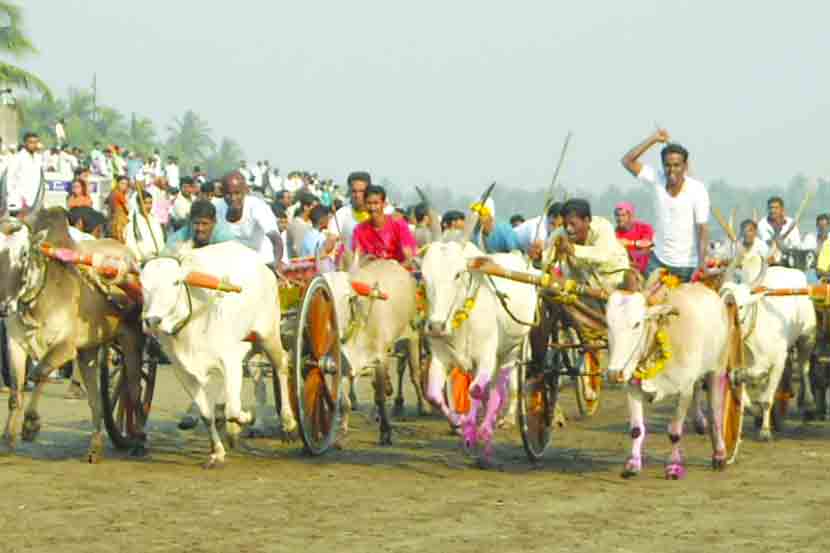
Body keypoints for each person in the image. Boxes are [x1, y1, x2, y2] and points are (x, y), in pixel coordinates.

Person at [621, 128, 710, 281]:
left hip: (687, 266)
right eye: (667, 165)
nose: (672, 170)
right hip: (658, 261)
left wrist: (702, 262)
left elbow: (703, 228)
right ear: (662, 165)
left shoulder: (697, 189)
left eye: (677, 165)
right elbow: (627, 161)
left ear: (685, 167)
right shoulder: (656, 178)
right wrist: (653, 139)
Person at [548, 198, 630, 291]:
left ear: (586, 221)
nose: (568, 229)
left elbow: (602, 255)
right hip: (584, 287)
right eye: (565, 225)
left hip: (615, 283)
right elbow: (547, 258)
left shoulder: (602, 227)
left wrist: (573, 249)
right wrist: (538, 258)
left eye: (573, 224)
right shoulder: (560, 233)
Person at [215, 171, 285, 269]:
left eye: (237, 193)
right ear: (222, 192)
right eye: (228, 194)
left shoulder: (257, 207)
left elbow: (275, 237)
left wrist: (276, 262)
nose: (233, 198)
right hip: (235, 262)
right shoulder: (218, 208)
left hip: (263, 261)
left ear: (245, 191)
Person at [352, 185, 417, 267]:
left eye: (376, 203)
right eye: (369, 203)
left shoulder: (399, 224)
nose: (372, 208)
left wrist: (391, 270)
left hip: (399, 271)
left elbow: (409, 259)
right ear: (364, 205)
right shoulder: (359, 230)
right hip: (372, 273)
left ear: (384, 204)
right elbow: (358, 261)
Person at [166, 199, 236, 251]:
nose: (200, 228)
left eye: (205, 224)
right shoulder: (184, 234)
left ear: (214, 221)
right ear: (190, 221)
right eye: (196, 223)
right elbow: (168, 251)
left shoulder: (225, 237)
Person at [328, 171, 371, 250]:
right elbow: (331, 240)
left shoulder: (377, 214)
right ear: (350, 192)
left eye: (362, 191)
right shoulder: (341, 214)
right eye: (354, 191)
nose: (357, 195)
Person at [6, 132, 43, 214]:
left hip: (35, 200)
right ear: (25, 143)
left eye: (36, 142)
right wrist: (15, 197)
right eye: (31, 142)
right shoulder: (18, 158)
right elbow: (9, 179)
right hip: (20, 201)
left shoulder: (38, 158)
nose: (34, 145)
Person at [756, 196, 801, 264]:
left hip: (788, 262)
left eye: (776, 208)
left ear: (782, 209)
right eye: (770, 208)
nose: (772, 211)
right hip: (768, 262)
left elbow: (796, 245)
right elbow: (767, 242)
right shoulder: (762, 224)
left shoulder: (791, 223)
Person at [614, 201, 654, 275]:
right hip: (627, 270)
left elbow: (647, 247)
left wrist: (630, 244)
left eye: (623, 215)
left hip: (648, 268)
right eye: (617, 215)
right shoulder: (614, 234)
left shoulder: (644, 228)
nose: (619, 219)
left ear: (630, 216)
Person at [125, 192, 165, 261]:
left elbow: (160, 240)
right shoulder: (132, 222)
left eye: (150, 203)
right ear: (139, 204)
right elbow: (130, 244)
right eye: (145, 203)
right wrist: (140, 259)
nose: (148, 206)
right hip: (142, 261)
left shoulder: (154, 220)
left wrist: (161, 254)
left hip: (158, 258)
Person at [286, 191, 319, 257]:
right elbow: (300, 252)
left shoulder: (310, 222)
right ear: (306, 207)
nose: (317, 211)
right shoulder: (298, 225)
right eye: (315, 207)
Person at [109, 175, 130, 242]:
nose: (124, 186)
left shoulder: (112, 192)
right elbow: (127, 209)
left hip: (113, 219)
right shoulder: (119, 194)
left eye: (126, 184)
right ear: (117, 183)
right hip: (120, 220)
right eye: (122, 183)